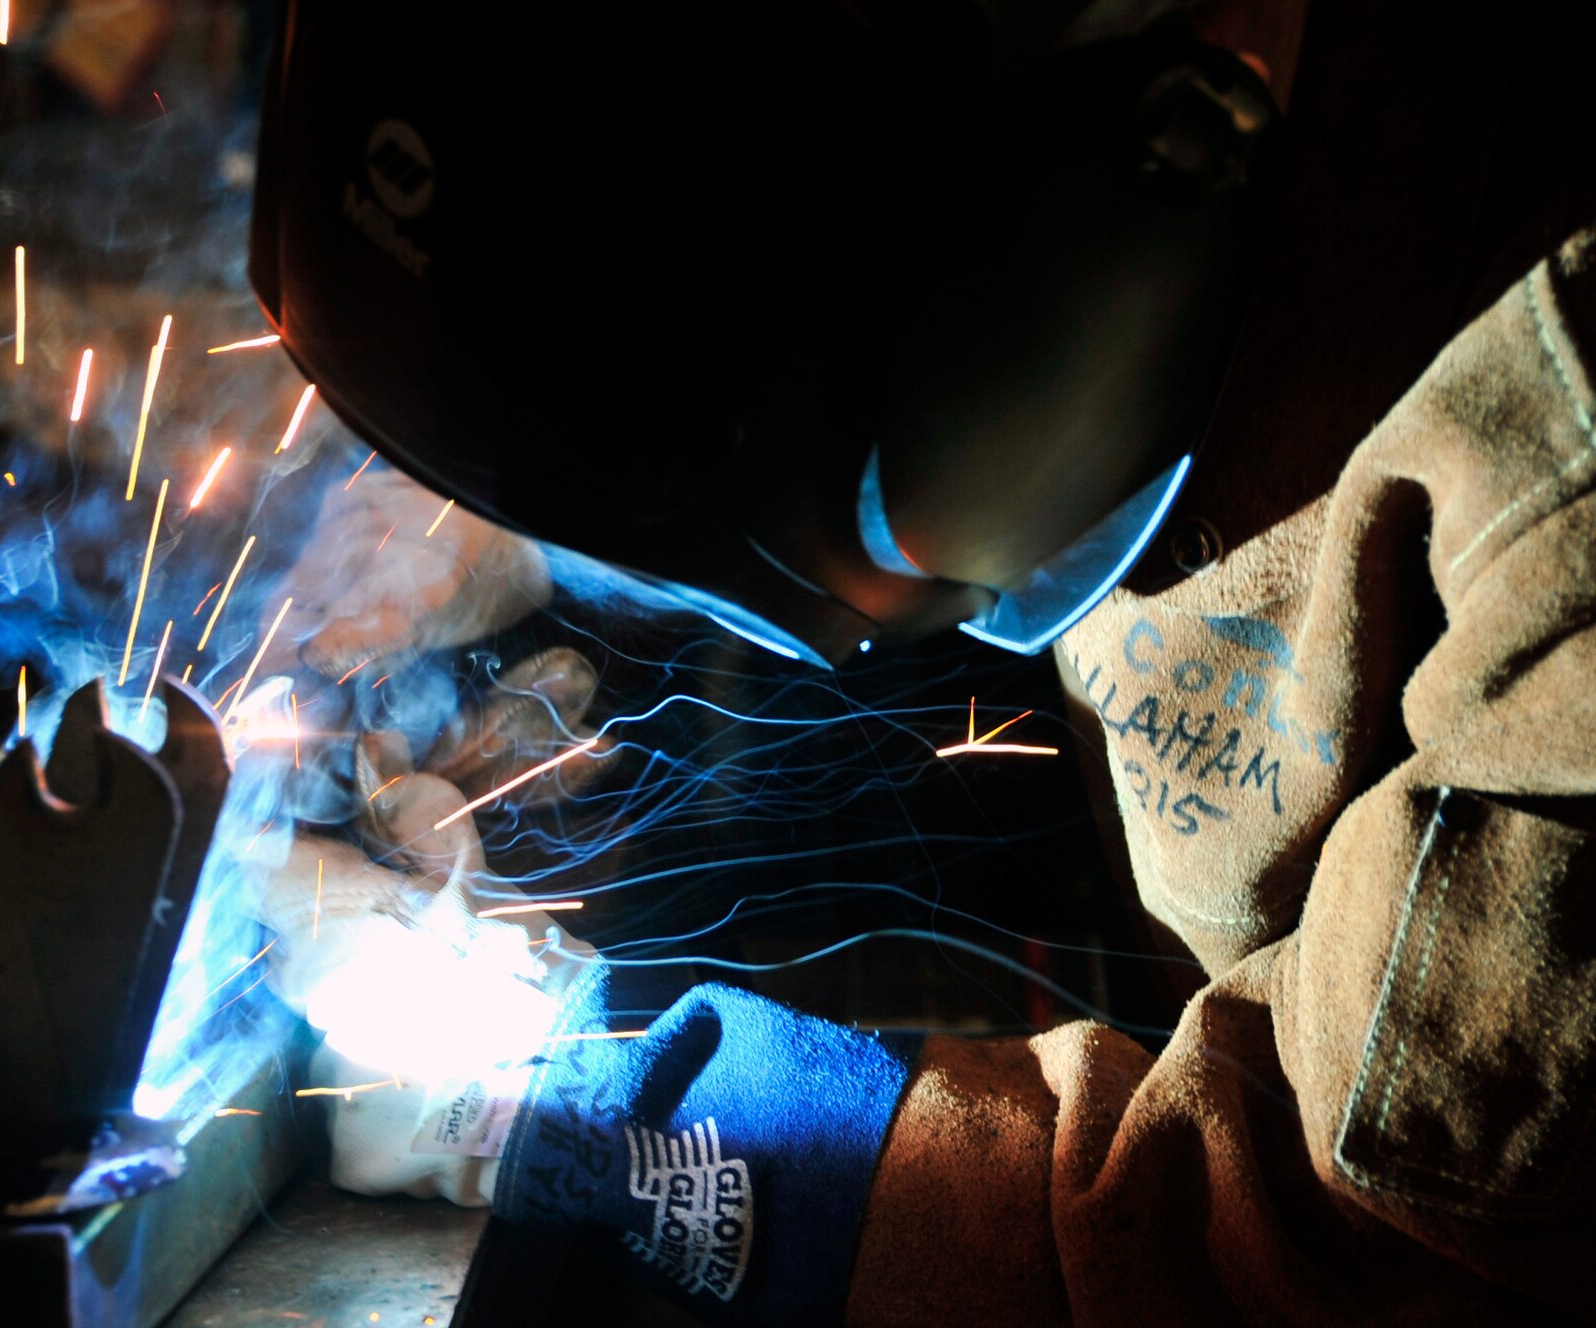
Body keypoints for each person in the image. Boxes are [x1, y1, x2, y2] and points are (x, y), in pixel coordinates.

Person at [242, 1, 1596, 1322]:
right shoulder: (1006, 213)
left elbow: (1338, 1252)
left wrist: (576, 1087)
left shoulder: (1560, 472)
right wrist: (536, 520)